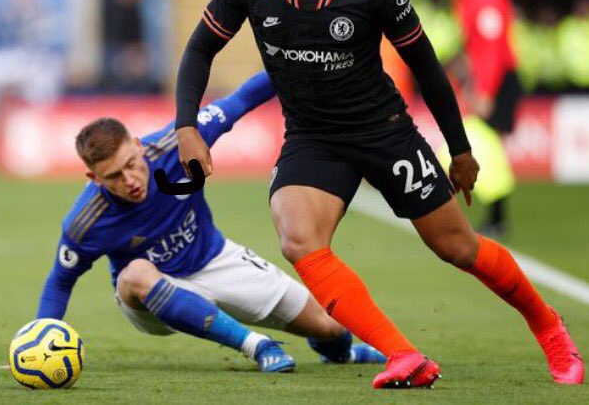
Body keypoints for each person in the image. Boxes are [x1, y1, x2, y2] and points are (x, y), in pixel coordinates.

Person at [174, 0, 583, 388]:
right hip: (313, 138)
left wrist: (460, 150)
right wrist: (186, 125)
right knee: (299, 238)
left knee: (458, 247)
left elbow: (428, 69)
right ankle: (403, 355)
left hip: (384, 133)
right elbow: (199, 50)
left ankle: (548, 325)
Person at [36, 71, 386, 373]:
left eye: (131, 163)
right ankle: (257, 346)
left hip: (216, 260)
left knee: (329, 327)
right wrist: (41, 341)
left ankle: (344, 354)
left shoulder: (178, 145)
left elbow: (243, 98)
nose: (128, 179)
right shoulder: (85, 222)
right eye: (113, 176)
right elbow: (59, 282)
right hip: (151, 294)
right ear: (93, 178)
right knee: (134, 274)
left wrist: (295, 65)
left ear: (139, 145)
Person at [432, 0, 522, 237]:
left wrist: (484, 91)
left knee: (477, 145)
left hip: (497, 82)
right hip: (488, 80)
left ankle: (490, 215)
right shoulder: (464, 0)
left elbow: (490, 49)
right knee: (485, 147)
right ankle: (496, 217)